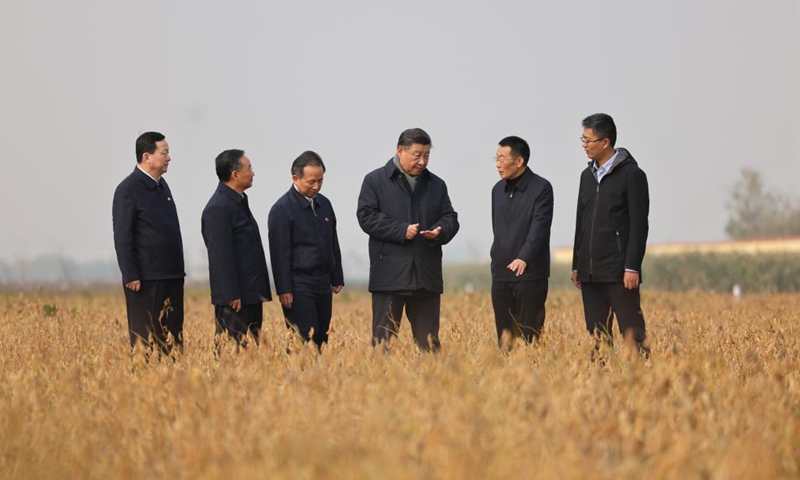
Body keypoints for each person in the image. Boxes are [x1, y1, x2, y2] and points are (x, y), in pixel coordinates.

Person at [356, 128, 460, 352]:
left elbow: (450, 217)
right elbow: (366, 217)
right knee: (383, 343)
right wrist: (400, 231)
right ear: (400, 151)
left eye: (427, 155)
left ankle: (434, 385)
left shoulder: (436, 185)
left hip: (426, 274)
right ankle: (380, 385)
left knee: (430, 345)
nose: (422, 161)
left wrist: (440, 231)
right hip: (390, 275)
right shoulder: (375, 181)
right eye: (417, 155)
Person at [570, 113, 651, 358]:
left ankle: (644, 380)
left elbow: (639, 225)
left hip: (619, 271)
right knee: (597, 336)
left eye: (588, 141)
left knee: (632, 331)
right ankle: (601, 385)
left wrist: (632, 267)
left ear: (605, 142)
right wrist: (577, 264)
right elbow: (580, 224)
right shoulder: (586, 176)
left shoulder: (632, 175)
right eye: (582, 140)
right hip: (590, 272)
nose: (584, 146)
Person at [112, 131, 185, 355]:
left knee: (171, 336)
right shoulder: (128, 189)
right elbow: (123, 236)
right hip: (145, 279)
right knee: (145, 338)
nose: (169, 158)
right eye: (164, 153)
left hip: (171, 275)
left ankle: (173, 382)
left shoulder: (163, 186)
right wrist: (130, 274)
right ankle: (144, 385)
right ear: (147, 156)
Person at [268, 151, 344, 350]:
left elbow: (333, 242)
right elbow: (279, 253)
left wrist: (337, 276)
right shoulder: (282, 209)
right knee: (303, 337)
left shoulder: (324, 204)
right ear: (295, 178)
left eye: (320, 181)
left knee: (321, 335)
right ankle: (299, 377)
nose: (316, 186)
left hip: (323, 282)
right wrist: (284, 289)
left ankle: (318, 379)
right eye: (311, 182)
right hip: (299, 284)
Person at [201, 149, 272, 348]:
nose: (253, 173)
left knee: (250, 354)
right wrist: (231, 293)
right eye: (249, 168)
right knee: (231, 353)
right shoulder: (218, 208)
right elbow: (220, 257)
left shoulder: (238, 202)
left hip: (250, 294)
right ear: (235, 175)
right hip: (235, 299)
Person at [490, 136, 554, 349]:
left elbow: (539, 229)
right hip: (501, 274)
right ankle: (508, 380)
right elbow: (497, 230)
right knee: (505, 339)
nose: (497, 164)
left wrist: (524, 257)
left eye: (502, 158)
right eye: (496, 158)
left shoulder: (541, 188)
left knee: (530, 338)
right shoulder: (497, 190)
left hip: (530, 275)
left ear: (519, 161)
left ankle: (532, 378)